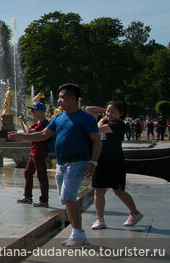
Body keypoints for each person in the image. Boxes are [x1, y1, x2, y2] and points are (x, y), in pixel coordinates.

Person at [9, 83, 101, 247]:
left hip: (78, 162)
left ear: (73, 99)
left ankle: (78, 233)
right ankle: (76, 232)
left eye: (62, 97)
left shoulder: (86, 119)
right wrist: (21, 137)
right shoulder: (58, 117)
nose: (59, 101)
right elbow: (44, 135)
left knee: (68, 196)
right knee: (65, 199)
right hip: (62, 164)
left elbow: (97, 141)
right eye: (59, 97)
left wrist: (93, 162)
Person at [84, 101, 144, 230]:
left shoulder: (118, 125)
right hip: (100, 161)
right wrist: (105, 111)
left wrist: (102, 120)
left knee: (118, 190)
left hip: (115, 161)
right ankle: (100, 219)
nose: (109, 114)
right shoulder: (107, 121)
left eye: (113, 112)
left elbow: (96, 129)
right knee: (98, 190)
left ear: (121, 114)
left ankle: (135, 213)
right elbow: (89, 109)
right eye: (108, 111)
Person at [16, 102, 50, 207]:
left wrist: (24, 122)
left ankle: (43, 200)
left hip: (40, 152)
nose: (32, 113)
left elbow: (29, 133)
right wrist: (22, 122)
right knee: (27, 172)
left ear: (40, 112)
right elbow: (28, 131)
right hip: (34, 152)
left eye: (33, 111)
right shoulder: (39, 123)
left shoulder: (44, 124)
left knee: (42, 176)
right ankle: (27, 196)